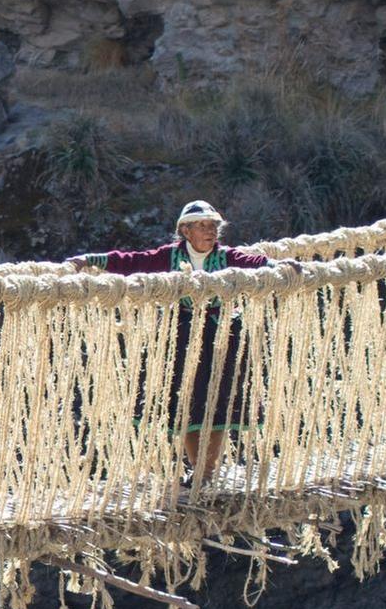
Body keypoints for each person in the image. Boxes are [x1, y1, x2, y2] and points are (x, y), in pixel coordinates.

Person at [66, 201, 302, 487]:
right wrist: (89, 259)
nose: (210, 231)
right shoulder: (169, 257)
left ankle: (206, 471)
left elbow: (254, 263)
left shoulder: (226, 257)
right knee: (187, 404)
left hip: (221, 334)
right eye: (202, 226)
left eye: (213, 226)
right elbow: (131, 262)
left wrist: (277, 266)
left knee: (218, 403)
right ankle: (199, 468)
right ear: (186, 231)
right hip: (183, 335)